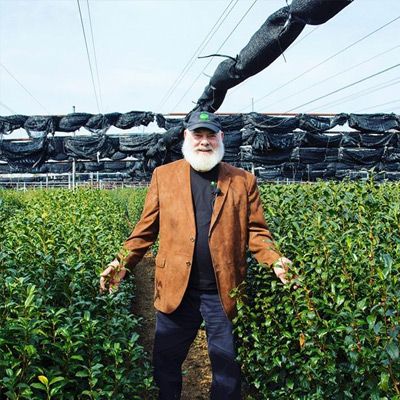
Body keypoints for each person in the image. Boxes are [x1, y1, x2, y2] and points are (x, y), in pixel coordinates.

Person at [99, 111, 298, 400]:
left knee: (227, 370)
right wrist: (121, 263)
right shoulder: (164, 176)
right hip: (177, 290)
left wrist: (276, 260)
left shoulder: (243, 181)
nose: (204, 141)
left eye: (210, 135)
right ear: (186, 137)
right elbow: (144, 230)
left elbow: (256, 231)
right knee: (165, 365)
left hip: (223, 291)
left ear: (221, 138)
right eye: (198, 134)